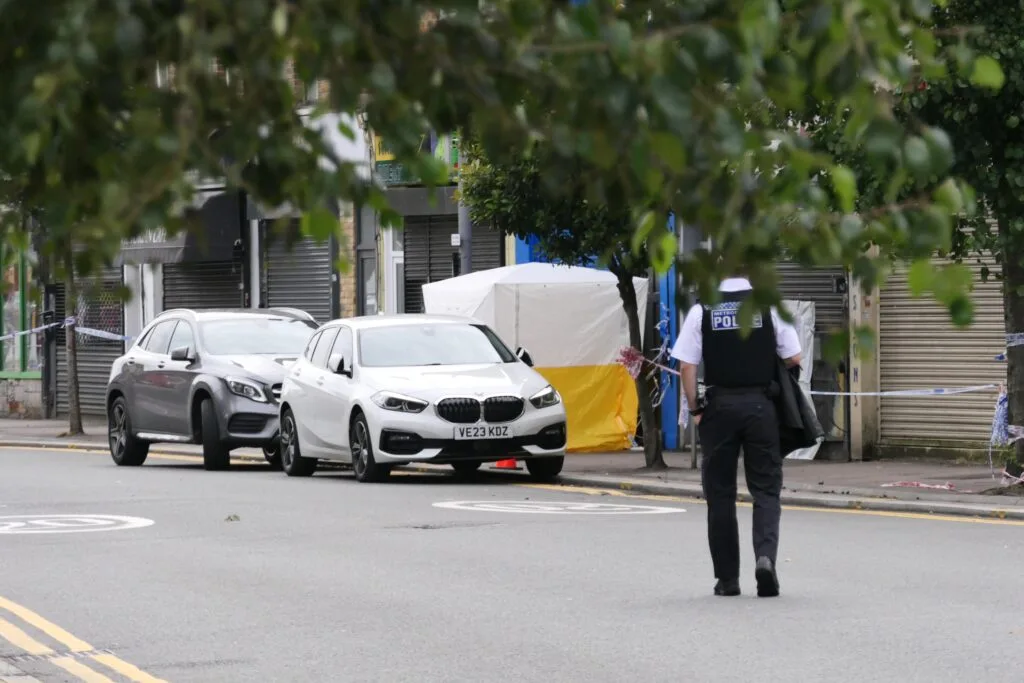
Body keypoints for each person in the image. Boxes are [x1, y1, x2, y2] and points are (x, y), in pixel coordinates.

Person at [670, 274, 802, 598]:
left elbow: (687, 365)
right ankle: (765, 559)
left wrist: (695, 408)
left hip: (720, 408)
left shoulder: (703, 310)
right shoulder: (770, 306)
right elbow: (795, 357)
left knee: (720, 494)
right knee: (766, 490)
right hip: (761, 408)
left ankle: (727, 579)